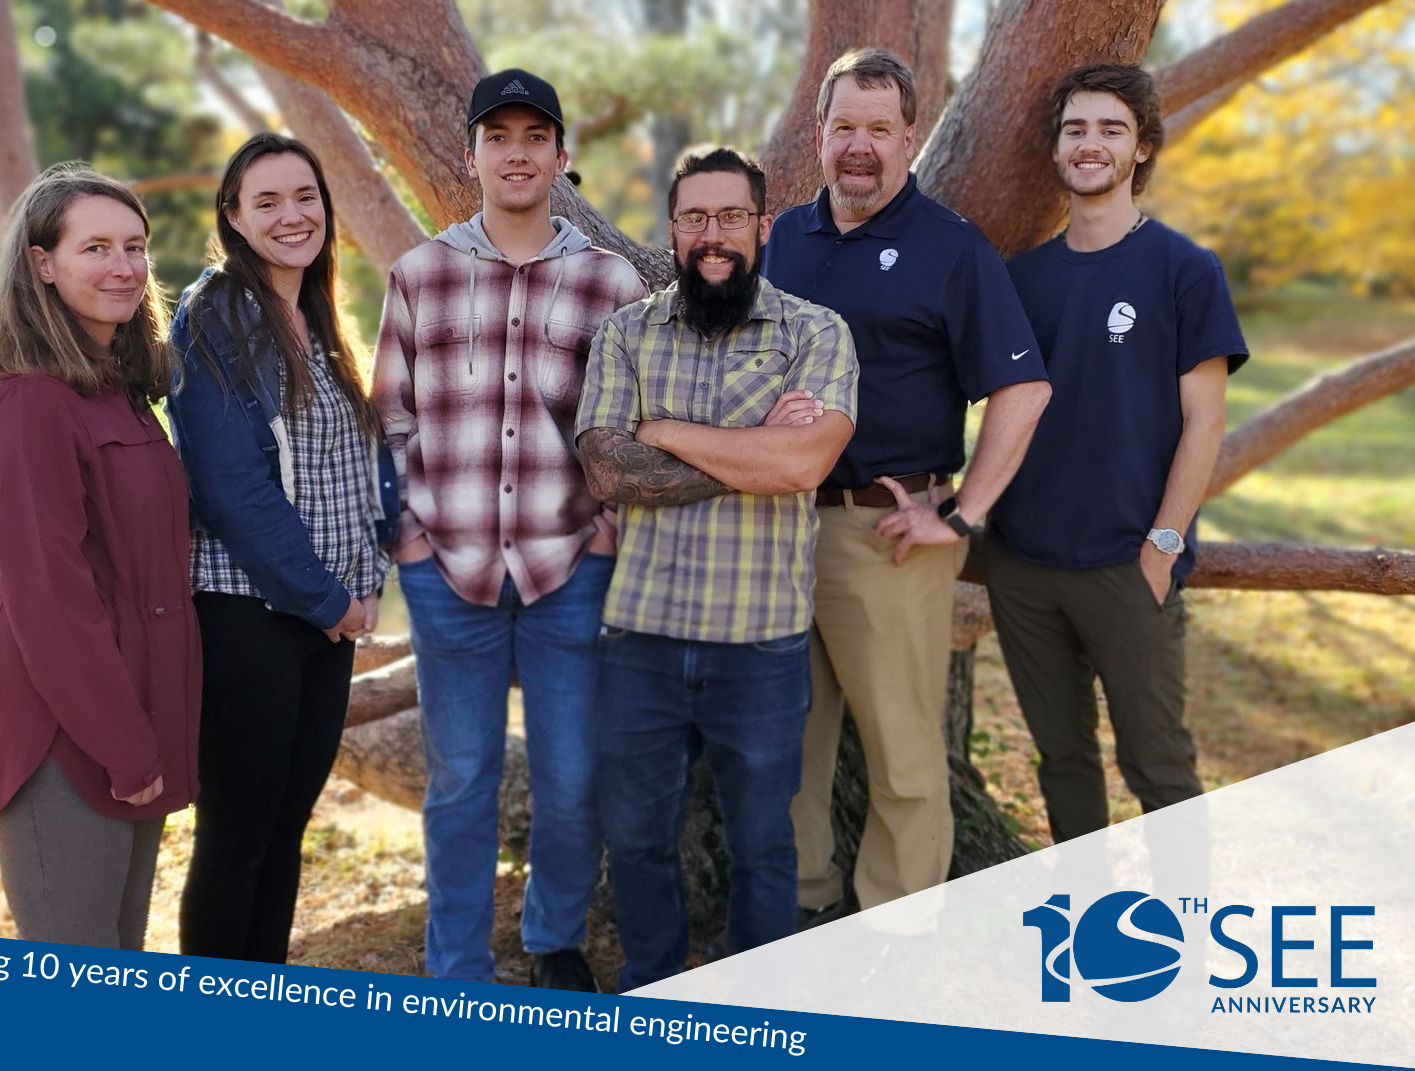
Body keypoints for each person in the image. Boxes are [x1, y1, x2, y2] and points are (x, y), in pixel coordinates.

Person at [763, 48, 1052, 921]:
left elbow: (1024, 385)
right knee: (783, 747)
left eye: (879, 129)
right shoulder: (780, 238)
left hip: (884, 531)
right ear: (818, 135)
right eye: (845, 126)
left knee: (902, 753)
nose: (860, 145)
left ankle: (897, 927)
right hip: (773, 529)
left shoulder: (952, 249)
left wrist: (962, 515)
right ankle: (797, 909)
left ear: (909, 139)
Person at [371, 69, 645, 989]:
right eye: (500, 136)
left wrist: (604, 534)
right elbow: (394, 419)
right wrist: (410, 539)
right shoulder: (421, 273)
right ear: (472, 154)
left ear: (563, 157)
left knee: (572, 779)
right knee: (461, 784)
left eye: (536, 136)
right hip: (447, 572)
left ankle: (553, 936)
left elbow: (623, 425)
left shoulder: (610, 282)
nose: (518, 152)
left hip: (570, 565)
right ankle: (456, 964)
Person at [576, 146, 858, 990]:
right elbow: (607, 470)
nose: (713, 235)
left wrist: (662, 430)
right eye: (695, 218)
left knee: (766, 840)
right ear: (673, 229)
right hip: (641, 640)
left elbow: (805, 464)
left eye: (730, 216)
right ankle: (657, 980)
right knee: (633, 834)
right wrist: (753, 446)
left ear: (762, 226)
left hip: (760, 642)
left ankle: (755, 998)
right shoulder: (626, 332)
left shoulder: (816, 331)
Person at [984, 64, 1247, 844]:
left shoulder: (1184, 270)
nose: (1090, 143)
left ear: (1141, 150)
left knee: (1160, 768)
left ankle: (1190, 949)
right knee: (1062, 761)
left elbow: (1204, 422)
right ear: (1057, 151)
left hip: (1128, 563)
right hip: (1025, 566)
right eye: (1075, 129)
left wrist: (1164, 546)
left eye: (1110, 129)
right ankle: (1079, 940)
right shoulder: (1021, 279)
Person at [0, 163, 199, 949]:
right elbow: (48, 597)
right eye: (96, 247)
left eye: (136, 247)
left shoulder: (115, 389)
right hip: (68, 735)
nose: (124, 267)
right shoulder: (26, 402)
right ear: (42, 262)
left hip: (138, 715)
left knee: (119, 959)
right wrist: (123, 743)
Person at [169, 134, 388, 964]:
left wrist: (354, 589)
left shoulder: (318, 314)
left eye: (305, 196)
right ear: (232, 216)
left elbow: (345, 469)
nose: (292, 215)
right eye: (267, 201)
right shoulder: (217, 313)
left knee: (284, 829)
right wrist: (332, 600)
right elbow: (230, 484)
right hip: (249, 614)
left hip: (322, 618)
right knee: (236, 838)